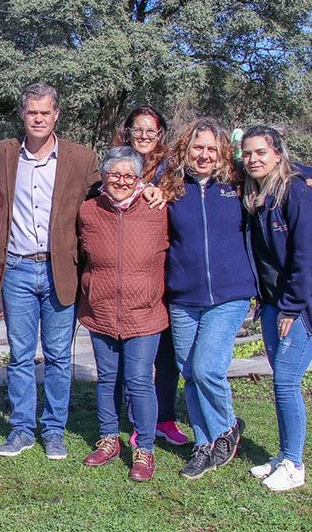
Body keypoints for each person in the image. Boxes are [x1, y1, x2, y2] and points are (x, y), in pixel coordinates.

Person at [0, 83, 100, 460]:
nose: (38, 119)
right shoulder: (0, 154)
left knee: (60, 356)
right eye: (32, 112)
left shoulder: (81, 159)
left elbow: (104, 202)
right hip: (15, 267)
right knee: (19, 355)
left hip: (60, 268)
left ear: (56, 115)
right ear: (22, 113)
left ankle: (54, 430)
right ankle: (21, 429)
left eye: (45, 112)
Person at [240, 126, 312, 492]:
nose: (253, 160)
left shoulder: (296, 190)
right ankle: (283, 456)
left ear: (278, 155)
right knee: (281, 380)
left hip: (306, 301)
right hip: (272, 300)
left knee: (285, 380)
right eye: (247, 153)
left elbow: (308, 256)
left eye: (261, 153)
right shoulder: (257, 191)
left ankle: (295, 466)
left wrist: (292, 308)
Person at [158, 118, 257, 479]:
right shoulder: (171, 189)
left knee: (206, 368)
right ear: (186, 149)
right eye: (197, 148)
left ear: (222, 154)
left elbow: (282, 164)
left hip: (230, 295)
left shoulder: (238, 186)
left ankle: (227, 428)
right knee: (190, 372)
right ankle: (204, 442)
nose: (204, 155)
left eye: (211, 149)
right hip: (184, 297)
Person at [77, 147, 168, 481]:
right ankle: (109, 438)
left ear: (139, 179)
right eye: (114, 174)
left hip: (144, 311)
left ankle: (144, 448)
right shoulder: (88, 211)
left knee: (140, 380)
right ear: (104, 175)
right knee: (108, 379)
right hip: (100, 308)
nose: (121, 181)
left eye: (129, 175)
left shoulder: (158, 209)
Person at [115, 105, 189, 447]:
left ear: (160, 135)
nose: (144, 136)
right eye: (138, 129)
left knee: (167, 354)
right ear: (128, 131)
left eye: (151, 131)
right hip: (131, 274)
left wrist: (311, 175)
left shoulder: (172, 168)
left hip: (171, 270)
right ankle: (135, 419)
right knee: (134, 358)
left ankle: (165, 418)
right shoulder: (117, 163)